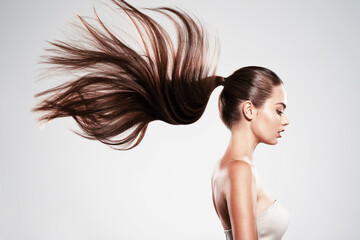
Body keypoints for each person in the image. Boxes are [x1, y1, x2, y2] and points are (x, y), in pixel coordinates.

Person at [32, 0, 290, 239]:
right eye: (279, 110)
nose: (285, 120)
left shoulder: (228, 168)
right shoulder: (238, 170)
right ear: (249, 110)